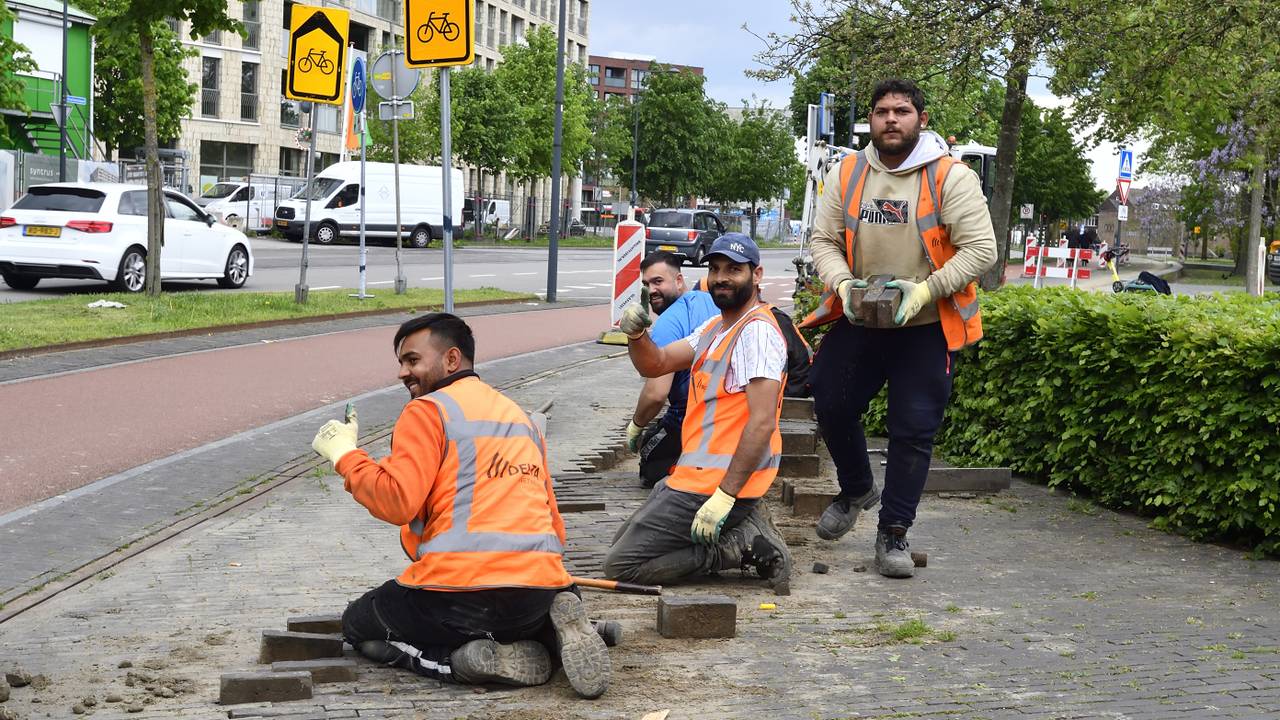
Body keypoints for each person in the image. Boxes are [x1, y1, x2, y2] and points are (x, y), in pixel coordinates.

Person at [310, 313, 610, 698]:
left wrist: (345, 455)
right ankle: (551, 634)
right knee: (522, 610)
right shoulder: (524, 420)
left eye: (413, 360)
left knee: (358, 624)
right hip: (540, 590)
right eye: (401, 362)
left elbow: (397, 500)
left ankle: (460, 662)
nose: (403, 372)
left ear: (451, 360)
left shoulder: (427, 411)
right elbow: (554, 523)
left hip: (458, 600)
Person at [801, 78, 997, 578]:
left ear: (921, 119)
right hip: (861, 316)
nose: (891, 119)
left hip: (925, 326)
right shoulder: (848, 172)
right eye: (882, 111)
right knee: (829, 397)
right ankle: (856, 489)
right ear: (871, 119)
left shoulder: (950, 177)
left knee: (913, 430)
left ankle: (893, 534)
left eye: (902, 111)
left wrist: (925, 291)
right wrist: (843, 285)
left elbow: (981, 250)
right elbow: (822, 240)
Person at [605, 233, 793, 592]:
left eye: (734, 270)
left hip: (717, 485)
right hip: (691, 476)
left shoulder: (758, 335)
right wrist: (637, 334)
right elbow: (656, 364)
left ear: (757, 275)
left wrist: (725, 495)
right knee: (620, 544)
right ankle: (740, 529)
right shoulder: (715, 328)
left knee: (620, 566)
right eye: (716, 268)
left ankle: (733, 548)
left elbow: (763, 422)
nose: (722, 277)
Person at [625, 251, 719, 488]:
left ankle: (685, 471)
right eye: (646, 284)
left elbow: (656, 392)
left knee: (649, 459)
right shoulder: (709, 301)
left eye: (658, 281)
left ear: (679, 281)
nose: (651, 290)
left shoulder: (668, 322)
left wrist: (636, 425)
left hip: (690, 419)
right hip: (724, 417)